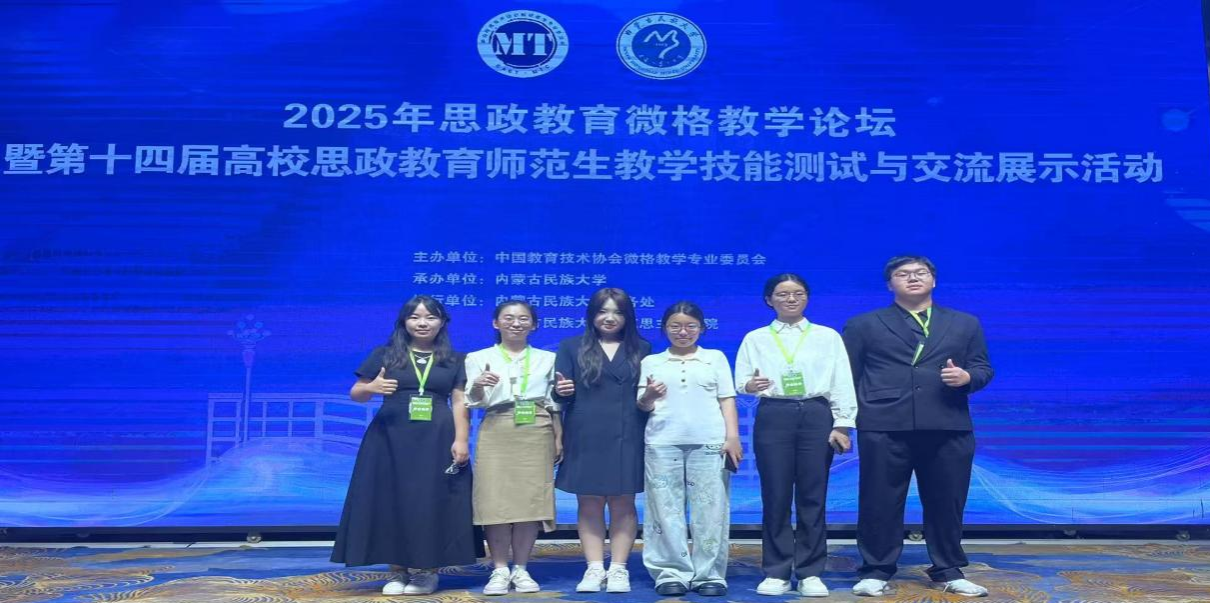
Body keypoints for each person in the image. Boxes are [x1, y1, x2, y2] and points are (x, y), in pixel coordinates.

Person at [843, 256, 994, 598]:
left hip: (947, 423)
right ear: (890, 284)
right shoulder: (863, 324)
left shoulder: (964, 323)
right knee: (879, 500)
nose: (913, 278)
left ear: (933, 280)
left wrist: (967, 377)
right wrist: (844, 422)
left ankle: (948, 569)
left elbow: (983, 368)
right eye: (903, 274)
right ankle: (876, 569)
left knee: (947, 501)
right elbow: (848, 377)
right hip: (883, 423)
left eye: (920, 273)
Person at [331, 294, 483, 596]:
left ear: (442, 322)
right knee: (391, 499)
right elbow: (356, 393)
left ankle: (427, 571)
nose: (422, 323)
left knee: (430, 500)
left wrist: (461, 439)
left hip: (437, 437)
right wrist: (372, 387)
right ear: (404, 321)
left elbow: (459, 402)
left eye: (430, 317)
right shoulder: (385, 355)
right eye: (415, 317)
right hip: (389, 437)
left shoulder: (456, 359)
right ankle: (397, 570)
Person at [734, 273, 857, 598]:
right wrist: (750, 385)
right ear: (769, 300)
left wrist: (843, 423)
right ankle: (776, 571)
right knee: (775, 495)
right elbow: (740, 381)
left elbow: (842, 380)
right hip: (774, 414)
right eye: (783, 294)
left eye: (798, 293)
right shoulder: (756, 338)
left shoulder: (827, 336)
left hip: (817, 413)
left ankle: (810, 572)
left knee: (812, 495)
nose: (791, 299)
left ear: (807, 298)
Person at [637, 301, 741, 597]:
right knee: (664, 511)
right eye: (675, 326)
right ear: (664, 328)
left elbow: (727, 399)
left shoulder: (714, 358)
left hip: (709, 442)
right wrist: (649, 395)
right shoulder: (652, 362)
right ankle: (671, 572)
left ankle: (710, 573)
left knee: (712, 510)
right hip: (662, 442)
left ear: (702, 328)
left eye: (690, 326)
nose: (683, 332)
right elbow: (642, 405)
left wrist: (732, 437)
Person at [554, 287, 652, 594]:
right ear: (592, 315)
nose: (610, 318)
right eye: (603, 311)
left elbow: (647, 396)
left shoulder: (643, 349)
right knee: (589, 501)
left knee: (624, 501)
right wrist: (561, 391)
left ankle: (619, 568)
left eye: (618, 312)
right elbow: (559, 395)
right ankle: (594, 567)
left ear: (628, 317)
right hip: (585, 432)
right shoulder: (571, 347)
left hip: (628, 432)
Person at [464, 300, 562, 596]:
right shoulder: (478, 357)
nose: (516, 323)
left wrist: (558, 437)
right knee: (494, 501)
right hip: (497, 426)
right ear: (496, 323)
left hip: (537, 427)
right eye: (508, 318)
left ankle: (521, 568)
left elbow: (554, 403)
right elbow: (473, 400)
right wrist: (479, 384)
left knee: (529, 502)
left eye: (523, 318)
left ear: (534, 325)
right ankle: (499, 569)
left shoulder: (548, 358)